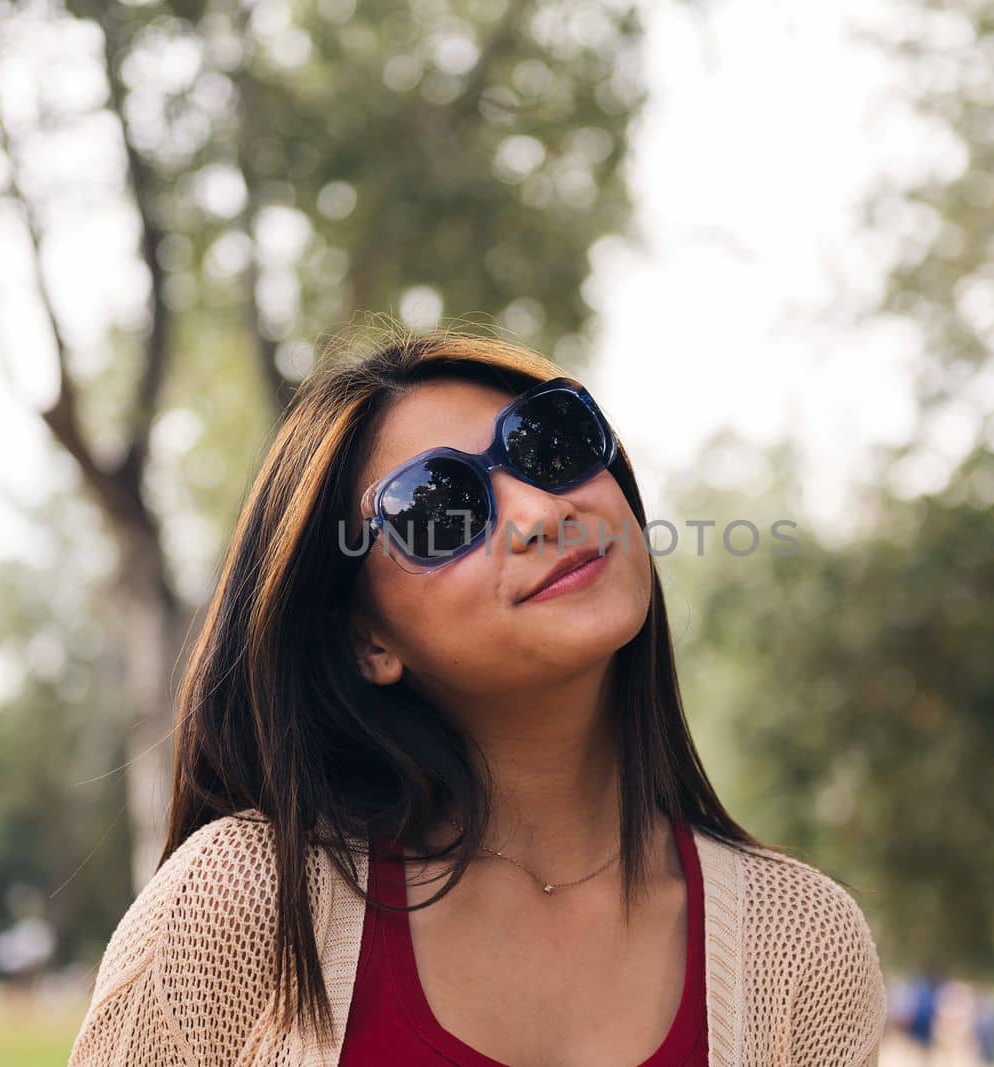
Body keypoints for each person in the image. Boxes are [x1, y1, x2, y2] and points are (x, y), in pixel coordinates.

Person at [66, 327, 887, 1066]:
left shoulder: (802, 943)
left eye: (553, 444)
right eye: (439, 509)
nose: (540, 510)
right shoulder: (246, 907)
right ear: (368, 642)